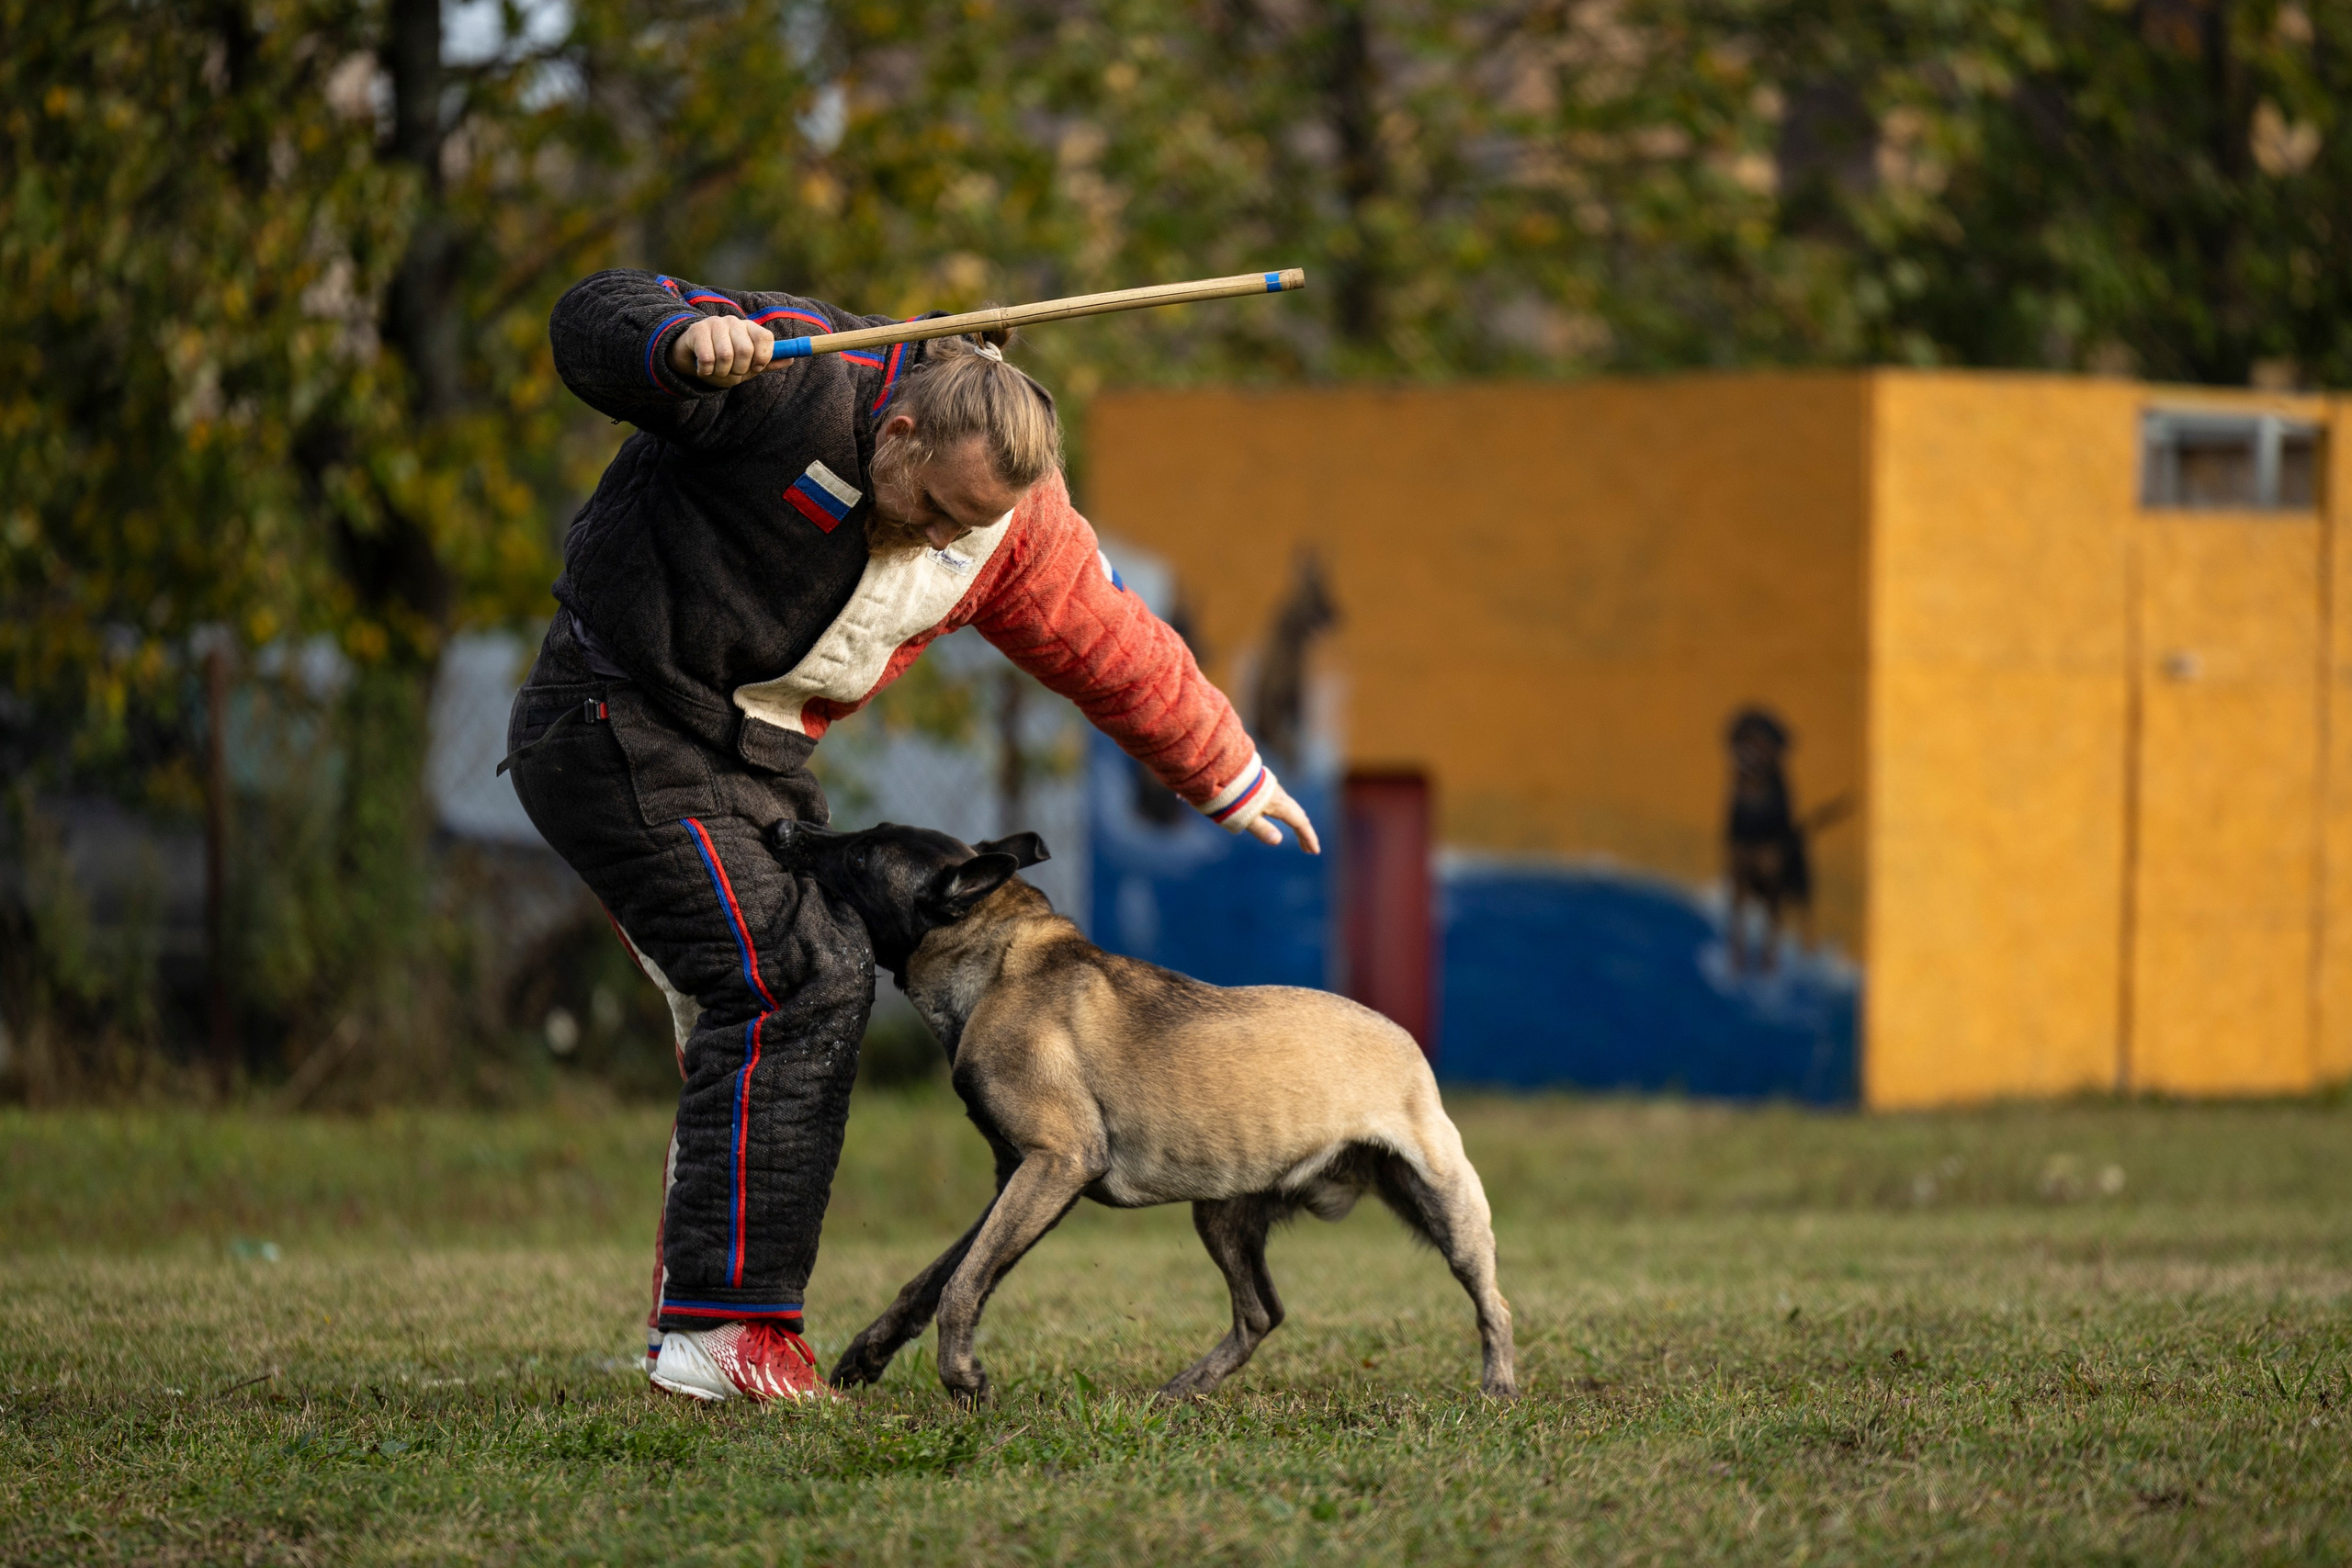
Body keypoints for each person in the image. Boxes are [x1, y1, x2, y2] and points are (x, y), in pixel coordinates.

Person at [504, 269, 1320, 1404]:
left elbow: (1110, 644)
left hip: (759, 761)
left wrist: (1231, 774)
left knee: (747, 1004)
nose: (940, 542)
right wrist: (682, 344)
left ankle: (693, 1326)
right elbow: (591, 313)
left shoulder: (1008, 527)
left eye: (967, 530)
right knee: (798, 979)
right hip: (614, 719)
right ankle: (728, 1336)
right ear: (894, 430)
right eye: (931, 509)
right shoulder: (791, 381)